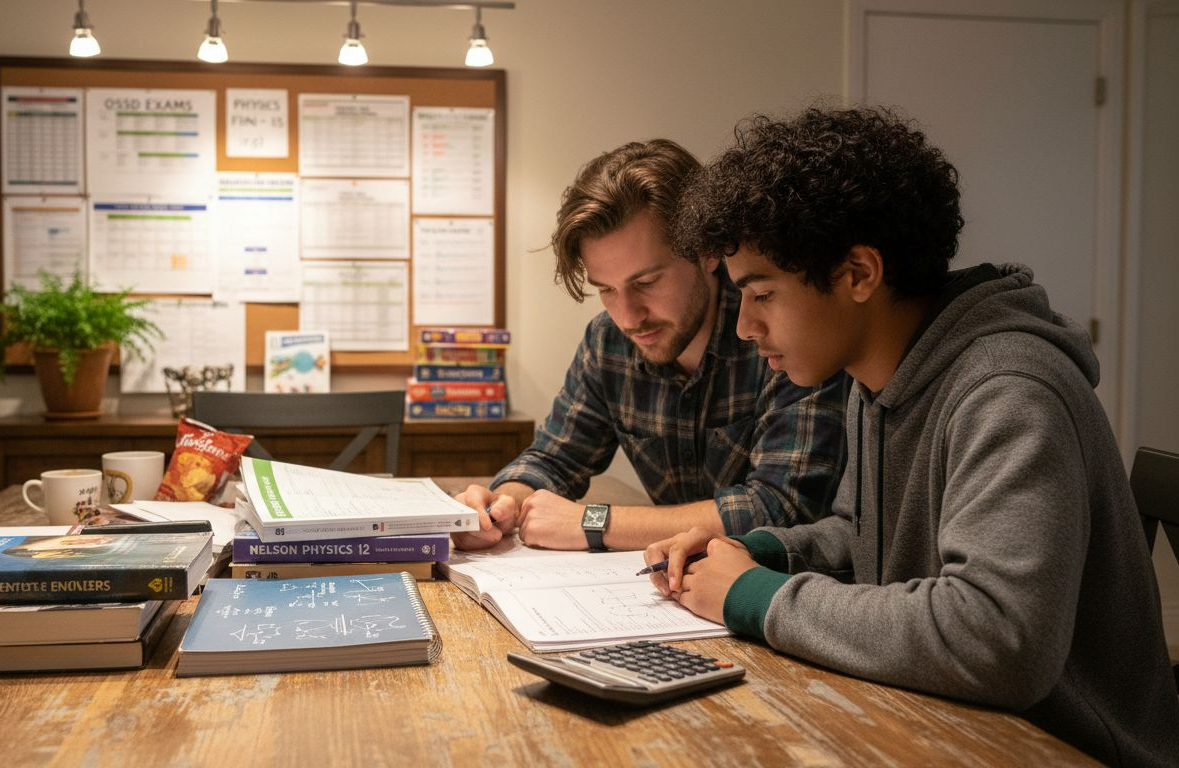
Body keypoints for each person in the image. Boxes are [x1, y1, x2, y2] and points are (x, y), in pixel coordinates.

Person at [649, 106, 1179, 766]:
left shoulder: (1009, 392)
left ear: (859, 274)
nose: (744, 328)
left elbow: (998, 639)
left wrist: (754, 597)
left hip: (1060, 749)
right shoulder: (879, 377)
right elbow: (865, 532)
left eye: (763, 295)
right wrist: (758, 551)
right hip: (945, 723)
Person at [453, 139, 847, 552]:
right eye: (606, 289)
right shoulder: (608, 341)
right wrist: (503, 503)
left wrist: (595, 522)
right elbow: (555, 458)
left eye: (646, 283)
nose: (628, 316)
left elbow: (782, 508)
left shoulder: (779, 333)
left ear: (709, 252)